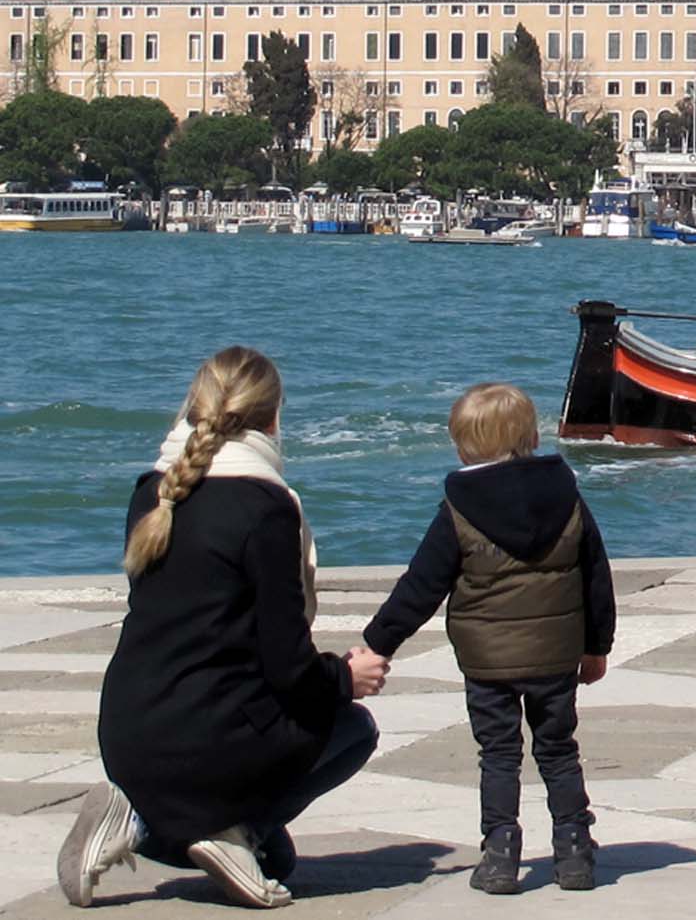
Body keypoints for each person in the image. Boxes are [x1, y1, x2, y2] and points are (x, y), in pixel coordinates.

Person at [58, 347, 387, 911]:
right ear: (274, 418)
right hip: (208, 743)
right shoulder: (266, 509)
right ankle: (215, 829)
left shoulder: (152, 491)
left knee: (279, 861)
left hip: (125, 731)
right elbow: (286, 665)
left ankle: (135, 815)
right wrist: (344, 675)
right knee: (354, 728)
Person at [362, 383, 616, 895]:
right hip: (555, 654)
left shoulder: (460, 506)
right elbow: (596, 574)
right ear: (530, 436)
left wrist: (377, 643)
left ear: (463, 446)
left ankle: (500, 852)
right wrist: (597, 646)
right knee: (558, 750)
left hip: (486, 661)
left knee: (499, 754)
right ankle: (573, 850)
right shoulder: (565, 493)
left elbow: (421, 586)